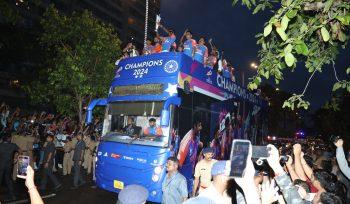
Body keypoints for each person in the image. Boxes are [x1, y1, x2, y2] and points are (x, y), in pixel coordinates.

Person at [177, 121, 203, 194]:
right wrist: (180, 165)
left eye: (201, 126)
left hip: (191, 166)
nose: (201, 128)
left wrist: (200, 143)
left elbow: (197, 144)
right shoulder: (187, 138)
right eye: (199, 126)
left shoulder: (197, 135)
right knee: (183, 187)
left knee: (189, 185)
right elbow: (181, 152)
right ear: (194, 126)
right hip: (185, 167)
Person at [0, 134, 20, 201]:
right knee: (8, 180)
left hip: (1, 165)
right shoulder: (13, 145)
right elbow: (20, 151)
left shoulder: (1, 145)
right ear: (9, 139)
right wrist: (15, 158)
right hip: (9, 165)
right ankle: (12, 195)